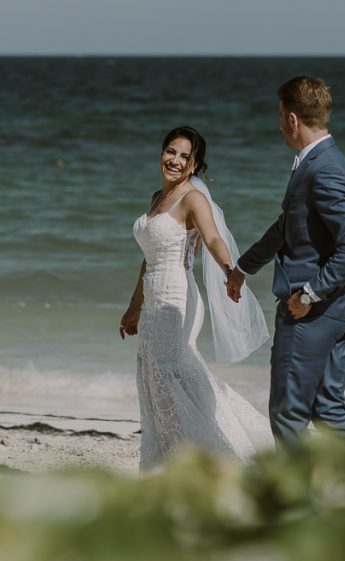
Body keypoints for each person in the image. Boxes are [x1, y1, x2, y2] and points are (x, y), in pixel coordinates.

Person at [227, 76, 345, 452]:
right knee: (327, 411)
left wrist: (309, 294)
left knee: (287, 412)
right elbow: (288, 225)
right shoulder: (315, 162)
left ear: (293, 119)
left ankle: (297, 502)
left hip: (313, 313)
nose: (279, 124)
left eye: (280, 115)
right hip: (340, 311)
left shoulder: (325, 168)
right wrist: (245, 267)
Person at [120, 126, 272, 471]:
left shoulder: (193, 198)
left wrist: (230, 270)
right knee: (155, 375)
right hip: (154, 299)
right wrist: (134, 304)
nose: (174, 160)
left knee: (172, 374)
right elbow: (150, 258)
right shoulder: (156, 199)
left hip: (178, 298)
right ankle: (167, 461)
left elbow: (214, 239)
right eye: (170, 152)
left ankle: (209, 459)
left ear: (194, 165)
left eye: (184, 156)